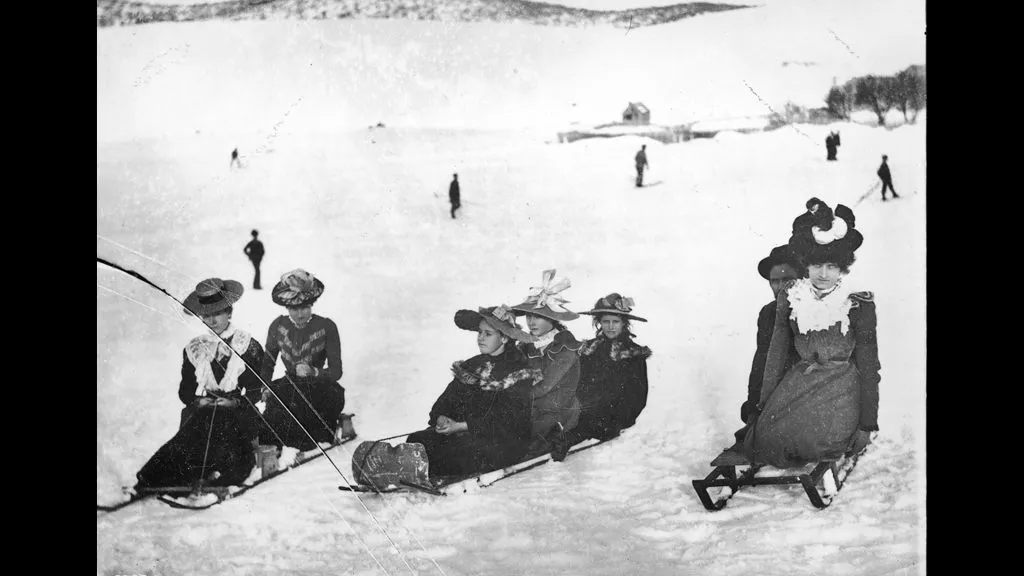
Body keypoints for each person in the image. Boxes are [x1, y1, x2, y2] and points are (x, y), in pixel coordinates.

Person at [740, 199, 880, 468]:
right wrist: (762, 409)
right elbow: (774, 358)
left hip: (841, 389)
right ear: (806, 266)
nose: (823, 274)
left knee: (809, 440)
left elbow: (870, 366)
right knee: (767, 439)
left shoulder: (857, 303)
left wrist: (867, 424)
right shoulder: (792, 299)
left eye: (831, 266)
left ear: (843, 268)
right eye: (816, 266)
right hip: (799, 384)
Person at [135, 278, 266, 490]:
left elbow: (255, 389)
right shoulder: (195, 348)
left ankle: (218, 475)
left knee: (224, 435)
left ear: (229, 313)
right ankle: (153, 479)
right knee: (188, 438)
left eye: (217, 314)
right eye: (206, 316)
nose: (212, 321)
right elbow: (185, 390)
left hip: (239, 412)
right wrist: (198, 400)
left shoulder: (247, 345)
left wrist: (234, 403)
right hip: (207, 410)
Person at [405, 306, 541, 478]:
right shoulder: (473, 365)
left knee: (452, 452)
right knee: (417, 440)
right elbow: (446, 399)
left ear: (505, 338)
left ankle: (418, 473)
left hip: (503, 441)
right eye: (479, 332)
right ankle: (406, 469)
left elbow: (508, 422)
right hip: (466, 434)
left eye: (488, 334)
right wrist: (441, 416)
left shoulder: (518, 370)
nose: (480, 338)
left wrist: (462, 426)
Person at [259, 269, 346, 455]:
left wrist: (314, 372)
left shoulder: (327, 326)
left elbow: (336, 371)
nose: (300, 314)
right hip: (290, 384)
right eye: (294, 308)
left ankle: (305, 444)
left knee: (310, 415)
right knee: (275, 411)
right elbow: (268, 362)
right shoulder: (277, 326)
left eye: (305, 307)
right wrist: (265, 387)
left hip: (318, 386)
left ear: (312, 304)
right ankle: (277, 450)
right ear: (286, 308)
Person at [727, 245, 803, 446]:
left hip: (808, 390)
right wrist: (754, 409)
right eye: (775, 281)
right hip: (779, 390)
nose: (780, 287)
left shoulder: (814, 310)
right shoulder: (768, 313)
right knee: (749, 411)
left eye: (787, 280)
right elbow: (762, 360)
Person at [510, 269, 583, 461]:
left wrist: (512, 398)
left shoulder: (565, 348)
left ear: (552, 318)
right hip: (532, 407)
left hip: (558, 410)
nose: (531, 322)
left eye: (537, 316)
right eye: (528, 316)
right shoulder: (526, 345)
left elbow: (544, 386)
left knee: (514, 437)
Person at [567, 293, 652, 445]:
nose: (611, 327)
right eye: (606, 322)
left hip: (615, 417)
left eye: (616, 322)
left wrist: (616, 422)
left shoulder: (632, 354)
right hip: (584, 410)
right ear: (599, 323)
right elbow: (578, 383)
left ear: (623, 324)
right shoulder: (589, 350)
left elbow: (637, 397)